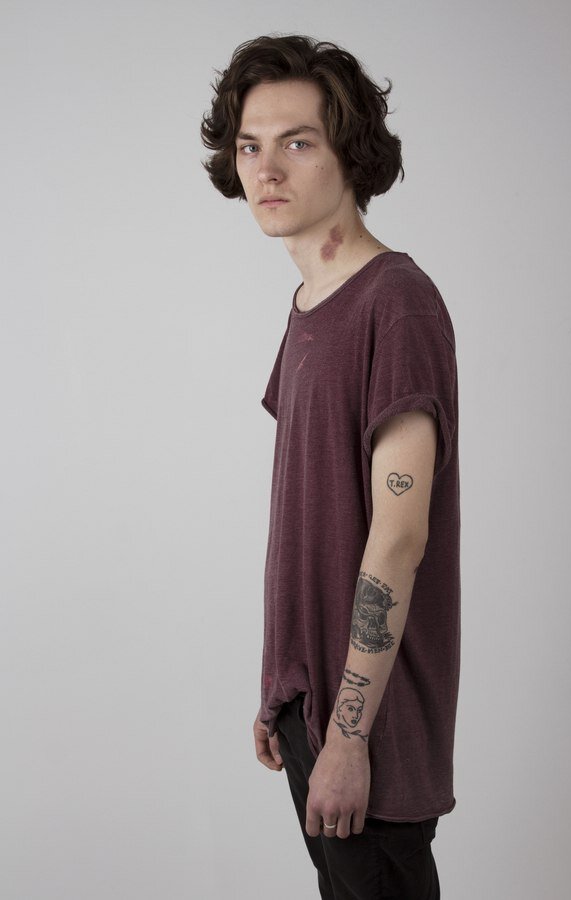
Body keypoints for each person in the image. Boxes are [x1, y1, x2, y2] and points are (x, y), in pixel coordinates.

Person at [201, 33, 460, 900]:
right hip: (314, 706)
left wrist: (348, 734)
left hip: (370, 730)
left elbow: (399, 537)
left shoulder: (397, 302)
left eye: (297, 142)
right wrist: (286, 685)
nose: (266, 170)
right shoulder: (313, 303)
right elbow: (311, 515)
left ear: (350, 152)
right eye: (250, 146)